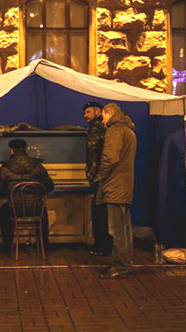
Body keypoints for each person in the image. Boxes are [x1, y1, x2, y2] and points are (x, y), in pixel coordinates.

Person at [94, 103, 137, 278]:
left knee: (116, 229)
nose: (103, 121)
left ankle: (120, 266)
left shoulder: (115, 130)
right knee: (125, 228)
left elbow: (110, 158)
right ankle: (125, 262)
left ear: (110, 113)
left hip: (114, 186)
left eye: (103, 116)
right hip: (124, 185)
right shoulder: (129, 130)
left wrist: (100, 176)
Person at [0, 138, 54, 254]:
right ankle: (44, 246)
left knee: (3, 211)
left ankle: (7, 247)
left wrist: (9, 190)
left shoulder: (5, 167)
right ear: (25, 149)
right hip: (35, 208)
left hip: (15, 209)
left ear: (11, 150)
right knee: (43, 210)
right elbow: (50, 186)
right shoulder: (37, 165)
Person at [83, 101, 112, 257]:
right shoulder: (103, 128)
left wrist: (93, 175)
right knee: (102, 212)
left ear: (98, 111)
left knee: (101, 213)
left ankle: (102, 246)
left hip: (99, 177)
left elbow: (94, 154)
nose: (85, 116)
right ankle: (103, 245)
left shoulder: (97, 128)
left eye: (88, 112)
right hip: (101, 176)